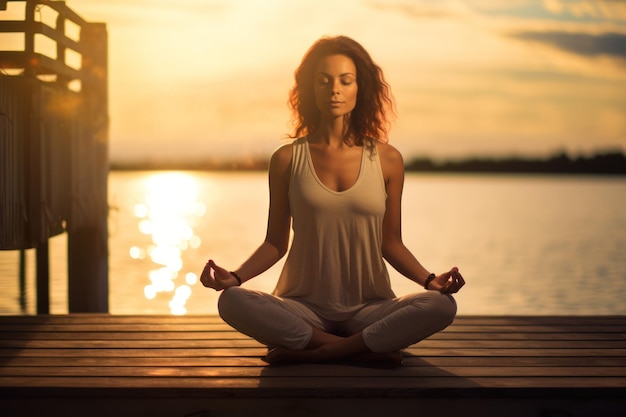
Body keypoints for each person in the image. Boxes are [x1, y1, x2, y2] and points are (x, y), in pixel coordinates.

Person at [200, 35, 465, 365]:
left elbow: (391, 243)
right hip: (302, 308)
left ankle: (317, 353)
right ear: (310, 89)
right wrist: (235, 278)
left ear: (360, 87)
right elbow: (274, 243)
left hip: (370, 308)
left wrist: (430, 280)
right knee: (232, 301)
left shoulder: (388, 159)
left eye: (345, 80)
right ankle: (361, 350)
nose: (334, 89)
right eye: (323, 81)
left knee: (440, 305)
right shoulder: (286, 159)